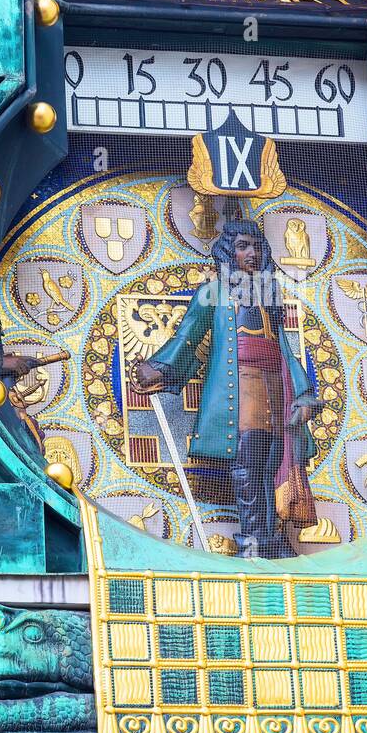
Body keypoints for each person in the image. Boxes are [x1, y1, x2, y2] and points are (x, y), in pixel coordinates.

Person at [134, 220, 321, 558]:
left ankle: (271, 537)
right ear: (228, 252)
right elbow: (187, 337)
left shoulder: (268, 297)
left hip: (274, 387)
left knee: (271, 462)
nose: (252, 253)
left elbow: (284, 350)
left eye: (257, 247)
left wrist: (304, 393)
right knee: (249, 461)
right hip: (241, 387)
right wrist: (158, 368)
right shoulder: (213, 292)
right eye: (243, 246)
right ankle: (252, 538)